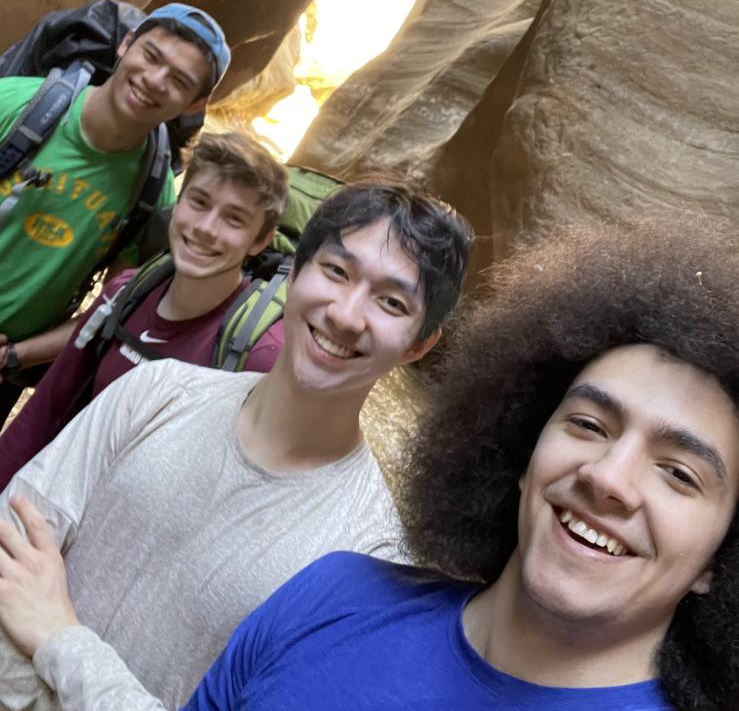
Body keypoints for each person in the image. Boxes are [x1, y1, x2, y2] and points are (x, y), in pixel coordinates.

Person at [0, 217, 734, 711]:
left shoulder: (363, 534)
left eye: (680, 472)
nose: (608, 476)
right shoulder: (336, 594)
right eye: (587, 422)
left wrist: (63, 639)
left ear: (719, 557)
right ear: (519, 444)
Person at [0, 180, 473, 711]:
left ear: (419, 344)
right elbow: (8, 562)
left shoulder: (372, 557)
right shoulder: (155, 392)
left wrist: (59, 639)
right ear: (295, 273)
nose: (345, 313)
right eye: (336, 271)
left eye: (390, 301)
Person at [0, 129, 289, 487]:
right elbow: (46, 411)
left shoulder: (259, 356)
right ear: (178, 204)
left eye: (234, 219)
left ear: (260, 240)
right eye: (198, 202)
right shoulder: (125, 293)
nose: (205, 229)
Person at [0, 2, 232, 424]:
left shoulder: (153, 193)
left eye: (178, 80)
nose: (154, 81)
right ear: (126, 44)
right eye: (151, 56)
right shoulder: (16, 105)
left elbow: (116, 308)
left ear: (193, 103)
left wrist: (16, 356)